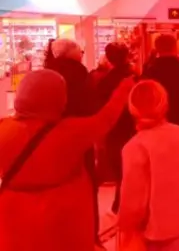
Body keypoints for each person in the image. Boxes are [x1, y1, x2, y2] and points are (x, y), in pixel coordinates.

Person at [0, 70, 134, 251]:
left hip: (13, 222)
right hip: (62, 223)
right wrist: (123, 90)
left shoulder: (4, 130)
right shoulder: (71, 132)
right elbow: (106, 119)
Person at [118, 80, 179, 251]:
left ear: (132, 109)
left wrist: (126, 227)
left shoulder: (136, 146)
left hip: (166, 232)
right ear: (165, 105)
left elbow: (133, 203)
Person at [45, 38, 103, 249]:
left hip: (52, 140)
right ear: (71, 53)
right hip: (79, 138)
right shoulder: (79, 74)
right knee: (85, 186)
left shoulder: (47, 72)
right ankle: (88, 236)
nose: (82, 52)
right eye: (80, 49)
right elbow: (90, 106)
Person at [95, 43, 137, 216]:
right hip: (134, 127)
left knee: (120, 170)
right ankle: (122, 204)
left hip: (114, 129)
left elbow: (99, 106)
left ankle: (120, 205)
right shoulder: (136, 76)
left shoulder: (106, 81)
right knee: (132, 170)